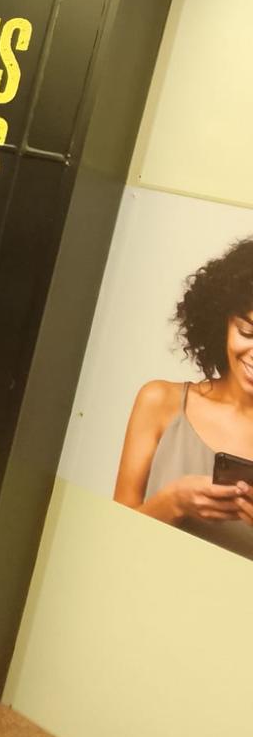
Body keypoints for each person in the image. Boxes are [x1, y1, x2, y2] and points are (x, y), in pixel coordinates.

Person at [114, 237, 253, 559]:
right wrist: (173, 502)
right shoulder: (160, 402)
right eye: (247, 332)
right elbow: (115, 540)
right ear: (221, 322)